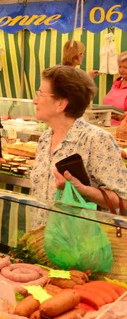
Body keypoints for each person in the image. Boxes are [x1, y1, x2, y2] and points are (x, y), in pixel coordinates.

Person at [31, 65, 127, 228]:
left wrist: (80, 189)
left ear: (60, 104)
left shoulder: (96, 140)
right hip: (42, 242)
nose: (35, 100)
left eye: (40, 94)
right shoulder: (46, 138)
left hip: (81, 245)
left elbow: (122, 200)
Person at [103, 51, 127, 120]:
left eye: (125, 68)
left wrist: (125, 115)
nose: (121, 70)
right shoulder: (116, 82)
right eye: (120, 67)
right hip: (109, 124)